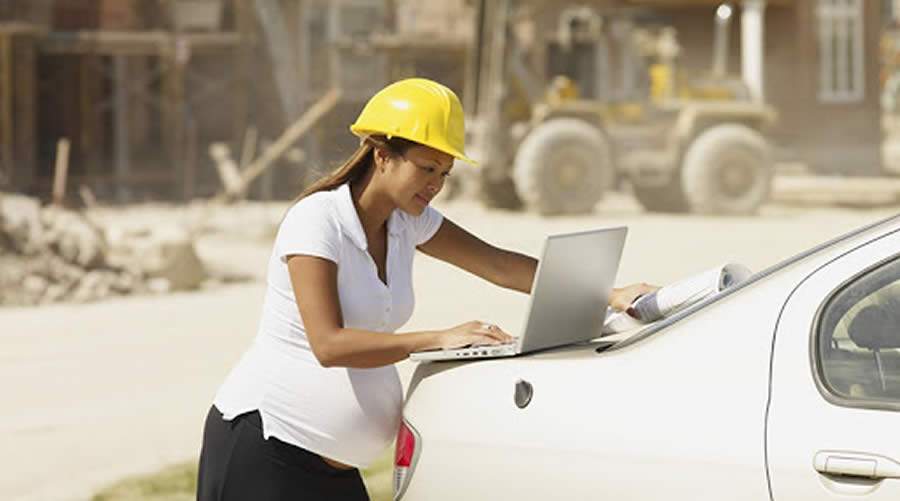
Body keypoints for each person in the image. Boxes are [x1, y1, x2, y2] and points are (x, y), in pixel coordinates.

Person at [196, 78, 656, 500]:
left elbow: (497, 264)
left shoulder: (407, 222)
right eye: (427, 168)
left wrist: (608, 293)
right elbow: (329, 344)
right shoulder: (317, 220)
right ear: (382, 155)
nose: (436, 185)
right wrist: (438, 339)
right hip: (264, 448)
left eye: (445, 173)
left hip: (329, 471)